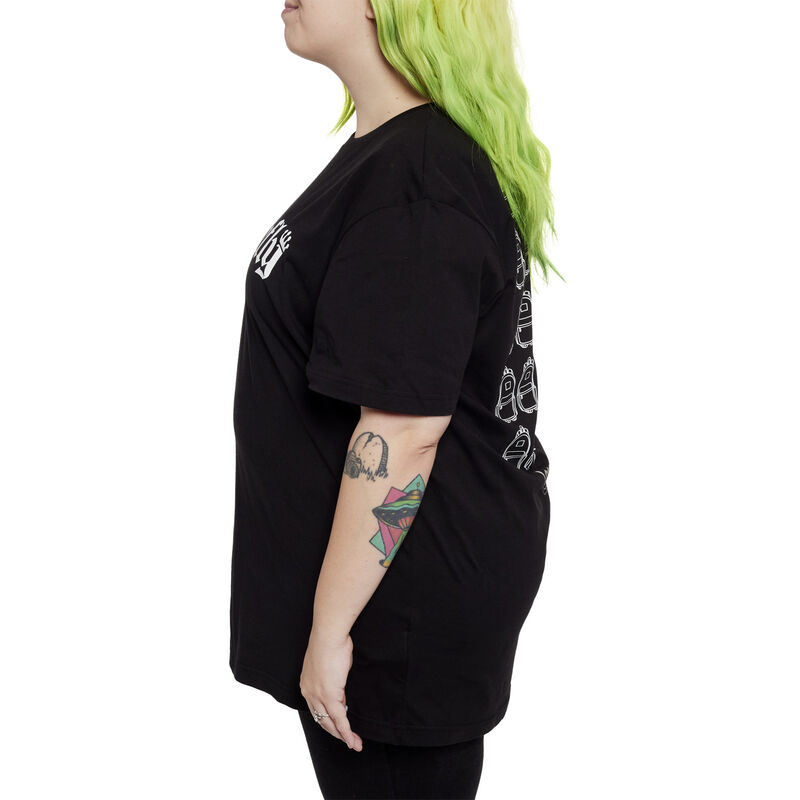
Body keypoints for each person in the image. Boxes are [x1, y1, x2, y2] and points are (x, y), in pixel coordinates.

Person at [229, 1, 560, 797]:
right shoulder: (396, 156)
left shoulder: (419, 178)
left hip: (398, 610)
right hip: (392, 593)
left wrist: (331, 630)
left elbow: (406, 430)